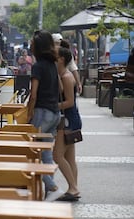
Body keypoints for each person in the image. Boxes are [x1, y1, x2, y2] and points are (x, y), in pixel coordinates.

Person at [27, 29, 62, 201]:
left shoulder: (38, 66)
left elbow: (33, 94)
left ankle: (52, 186)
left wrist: (29, 114)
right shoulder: (52, 65)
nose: (30, 46)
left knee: (32, 153)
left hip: (42, 112)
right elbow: (60, 88)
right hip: (55, 113)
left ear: (37, 48)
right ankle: (50, 191)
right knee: (46, 154)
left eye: (32, 44)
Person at [53, 46, 82, 201]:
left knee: (57, 155)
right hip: (72, 119)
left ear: (62, 59)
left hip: (68, 120)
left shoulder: (66, 76)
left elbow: (69, 102)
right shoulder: (63, 75)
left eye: (55, 55)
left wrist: (53, 106)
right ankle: (74, 188)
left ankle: (73, 188)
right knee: (69, 157)